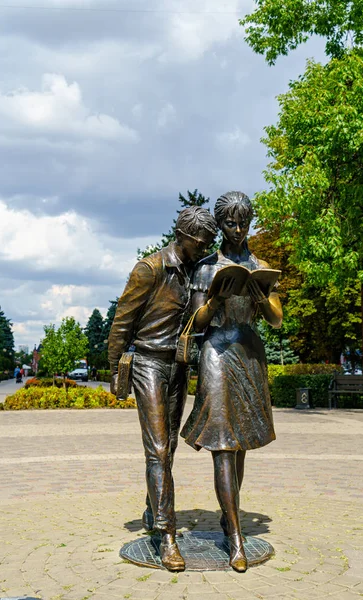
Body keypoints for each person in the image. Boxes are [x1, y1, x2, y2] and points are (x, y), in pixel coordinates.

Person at [108, 206, 218, 571]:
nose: (204, 249)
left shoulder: (196, 272)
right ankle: (166, 534)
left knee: (167, 446)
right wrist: (114, 369)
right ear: (183, 236)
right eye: (200, 243)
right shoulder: (150, 269)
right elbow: (122, 320)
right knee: (157, 447)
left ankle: (153, 507)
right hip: (149, 364)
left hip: (179, 365)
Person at [181, 192, 283, 572]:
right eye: (230, 223)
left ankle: (230, 515)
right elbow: (197, 323)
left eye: (244, 223)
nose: (238, 230)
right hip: (216, 354)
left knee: (239, 445)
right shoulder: (206, 267)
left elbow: (276, 320)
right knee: (223, 444)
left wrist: (263, 297)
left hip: (248, 352)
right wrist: (214, 300)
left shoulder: (261, 266)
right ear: (220, 224)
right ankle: (236, 536)